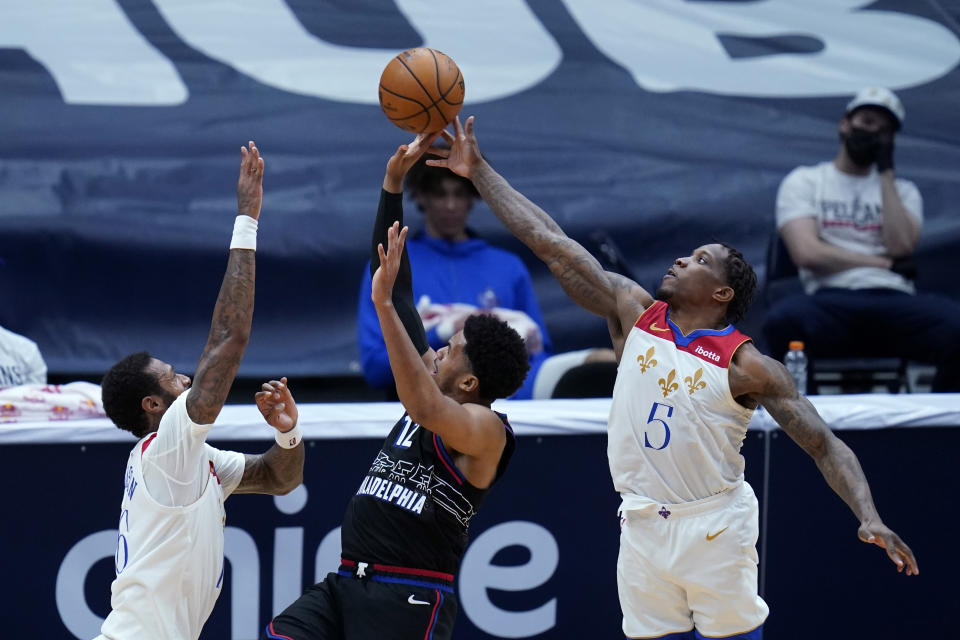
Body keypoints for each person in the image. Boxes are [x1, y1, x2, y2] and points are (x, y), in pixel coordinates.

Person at [429, 116, 918, 639]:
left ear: (722, 294)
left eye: (700, 259)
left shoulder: (746, 364)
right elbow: (549, 241)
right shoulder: (633, 312)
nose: (682, 258)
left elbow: (823, 444)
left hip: (714, 525)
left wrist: (867, 514)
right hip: (640, 521)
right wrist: (478, 171)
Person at [264, 134, 528, 640]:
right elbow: (399, 289)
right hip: (349, 579)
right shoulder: (436, 381)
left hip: (410, 592)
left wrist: (382, 307)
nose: (437, 351)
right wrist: (392, 184)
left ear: (469, 381)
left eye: (449, 350)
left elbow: (423, 404)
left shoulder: (484, 428)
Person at [94, 142, 305, 640]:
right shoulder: (165, 450)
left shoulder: (191, 461)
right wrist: (247, 220)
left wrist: (288, 434)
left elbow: (278, 479)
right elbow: (228, 340)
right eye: (172, 378)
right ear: (154, 406)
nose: (186, 378)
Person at [763, 86, 960, 391]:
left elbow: (901, 245)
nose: (874, 133)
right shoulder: (805, 181)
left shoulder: (904, 191)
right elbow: (807, 254)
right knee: (783, 322)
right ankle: (810, 426)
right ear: (845, 124)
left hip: (894, 301)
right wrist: (882, 262)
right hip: (829, 300)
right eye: (867, 122)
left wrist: (885, 175)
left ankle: (940, 426)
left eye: (884, 131)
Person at [357, 147, 551, 399]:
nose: (450, 205)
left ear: (473, 197)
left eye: (459, 194)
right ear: (421, 196)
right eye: (440, 194)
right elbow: (376, 367)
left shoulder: (508, 268)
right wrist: (443, 332)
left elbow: (539, 354)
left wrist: (503, 408)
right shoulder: (392, 261)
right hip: (421, 415)